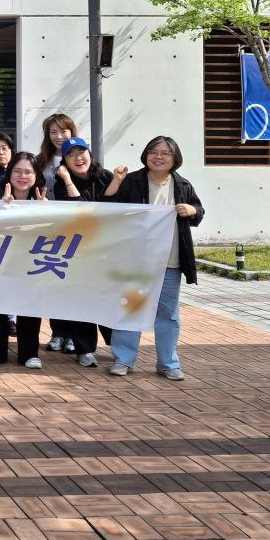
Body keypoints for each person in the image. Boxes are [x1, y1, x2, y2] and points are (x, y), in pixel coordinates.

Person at [106, 136, 204, 382]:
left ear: (174, 158)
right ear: (145, 155)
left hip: (170, 262)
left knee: (168, 315)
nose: (158, 157)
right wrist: (116, 181)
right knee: (130, 309)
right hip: (134, 261)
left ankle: (168, 363)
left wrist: (192, 210)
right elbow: (109, 208)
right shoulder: (132, 181)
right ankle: (123, 360)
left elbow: (198, 212)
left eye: (165, 153)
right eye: (153, 151)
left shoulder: (182, 185)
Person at [52, 136, 113, 369]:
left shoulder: (106, 177)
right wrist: (67, 179)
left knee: (108, 297)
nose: (78, 158)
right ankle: (85, 349)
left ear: (90, 154)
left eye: (81, 153)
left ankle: (117, 344)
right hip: (78, 249)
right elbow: (79, 210)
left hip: (106, 249)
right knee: (82, 298)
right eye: (71, 155)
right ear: (64, 161)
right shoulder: (61, 183)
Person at [0, 152, 48, 369]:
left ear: (36, 175)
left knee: (30, 305)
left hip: (30, 262)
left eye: (28, 172)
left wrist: (46, 211)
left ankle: (29, 353)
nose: (22, 176)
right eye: (17, 171)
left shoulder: (42, 198)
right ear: (9, 173)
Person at [37, 113, 79, 353]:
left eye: (63, 131)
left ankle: (74, 334)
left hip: (75, 229)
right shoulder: (40, 161)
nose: (58, 136)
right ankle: (58, 332)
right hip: (49, 229)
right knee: (54, 280)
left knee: (73, 284)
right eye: (53, 132)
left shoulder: (80, 156)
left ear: (72, 132)